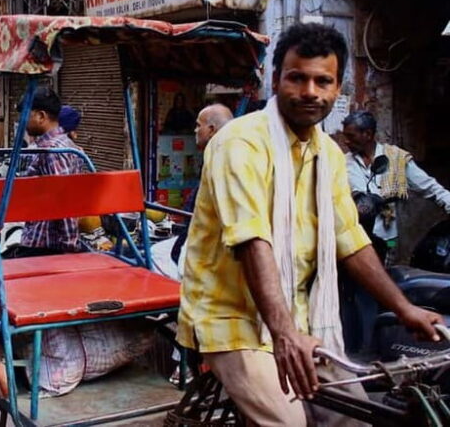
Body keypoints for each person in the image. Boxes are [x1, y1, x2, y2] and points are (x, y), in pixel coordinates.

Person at [178, 23, 441, 427]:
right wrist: (284, 336)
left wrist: (404, 309)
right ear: (276, 80)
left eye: (323, 81)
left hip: (301, 316)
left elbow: (349, 239)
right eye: (297, 78)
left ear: (337, 88)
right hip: (229, 320)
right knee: (290, 423)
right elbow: (252, 241)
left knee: (357, 418)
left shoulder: (329, 156)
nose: (310, 92)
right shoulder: (239, 144)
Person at [343, 110, 450, 267]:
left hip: (387, 236)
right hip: (356, 237)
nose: (346, 141)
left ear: (368, 134)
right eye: (345, 136)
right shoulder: (344, 162)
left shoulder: (396, 158)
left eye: (351, 136)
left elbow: (431, 188)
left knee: (388, 267)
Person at [152, 103, 234, 280]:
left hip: (205, 244)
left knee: (156, 255)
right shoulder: (220, 154)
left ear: (211, 130)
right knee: (157, 251)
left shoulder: (222, 159)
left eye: (198, 125)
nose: (195, 130)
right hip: (200, 236)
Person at [9, 87, 86, 257]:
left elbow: (65, 202)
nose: (21, 122)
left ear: (41, 116)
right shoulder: (64, 144)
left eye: (24, 115)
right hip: (42, 240)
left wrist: (69, 246)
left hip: (44, 245)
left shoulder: (53, 151)